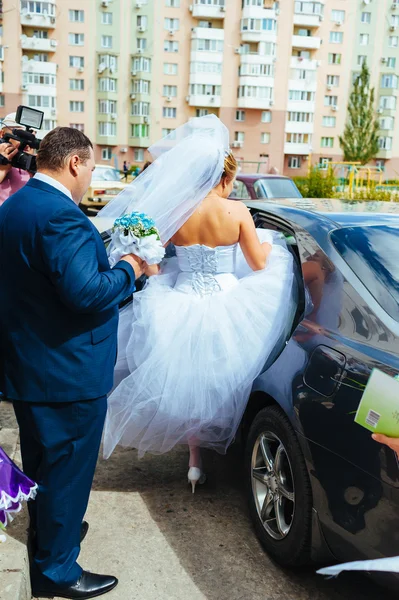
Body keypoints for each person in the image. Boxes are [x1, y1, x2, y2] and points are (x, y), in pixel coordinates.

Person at [99, 115, 295, 492]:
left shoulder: (177, 211)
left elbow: (153, 266)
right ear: (224, 177)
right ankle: (226, 447)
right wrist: (272, 245)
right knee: (220, 378)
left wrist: (171, 278)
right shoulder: (236, 211)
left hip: (181, 299)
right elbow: (257, 264)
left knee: (186, 382)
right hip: (227, 302)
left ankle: (193, 462)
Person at [0, 127, 144, 599]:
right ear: (76, 163)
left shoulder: (15, 205)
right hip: (67, 372)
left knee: (44, 462)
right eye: (93, 167)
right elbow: (86, 294)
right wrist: (131, 269)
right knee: (67, 472)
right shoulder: (62, 217)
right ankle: (57, 572)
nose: (91, 178)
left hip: (28, 363)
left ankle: (49, 539)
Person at [0, 112, 35, 206]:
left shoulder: (34, 164)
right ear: (2, 134)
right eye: (22, 136)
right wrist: (2, 169)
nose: (28, 142)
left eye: (32, 136)